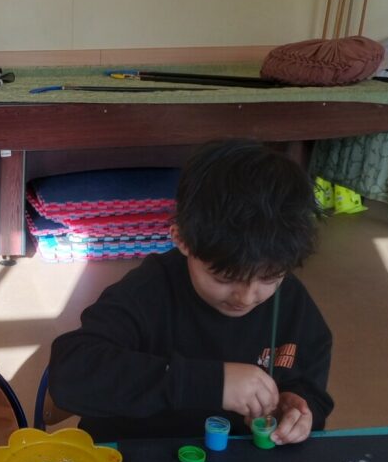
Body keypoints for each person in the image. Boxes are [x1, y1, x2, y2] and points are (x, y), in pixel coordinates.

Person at [49, 139, 333, 444]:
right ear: (182, 239)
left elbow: (311, 390)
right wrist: (212, 384)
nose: (246, 297)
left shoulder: (292, 303)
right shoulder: (148, 293)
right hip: (137, 455)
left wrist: (298, 410)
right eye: (225, 277)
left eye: (269, 277)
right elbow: (70, 375)